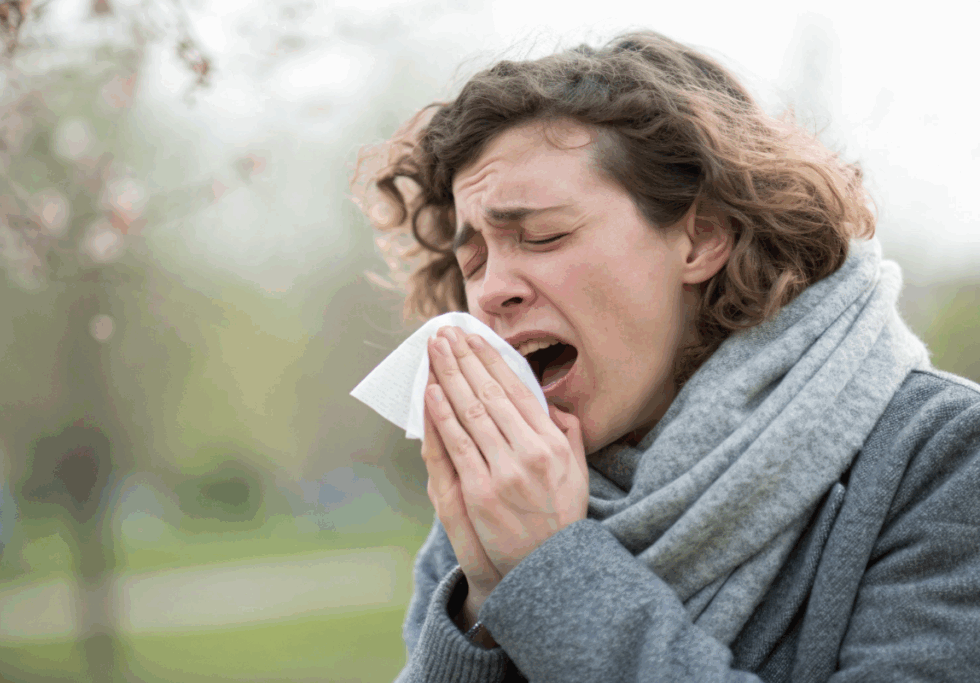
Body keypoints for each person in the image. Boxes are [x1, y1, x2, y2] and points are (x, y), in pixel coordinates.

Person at [351, 30, 980, 682]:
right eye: (473, 257)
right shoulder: (500, 497)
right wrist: (485, 601)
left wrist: (549, 569)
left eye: (541, 235)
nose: (490, 289)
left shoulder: (943, 456)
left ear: (701, 237)